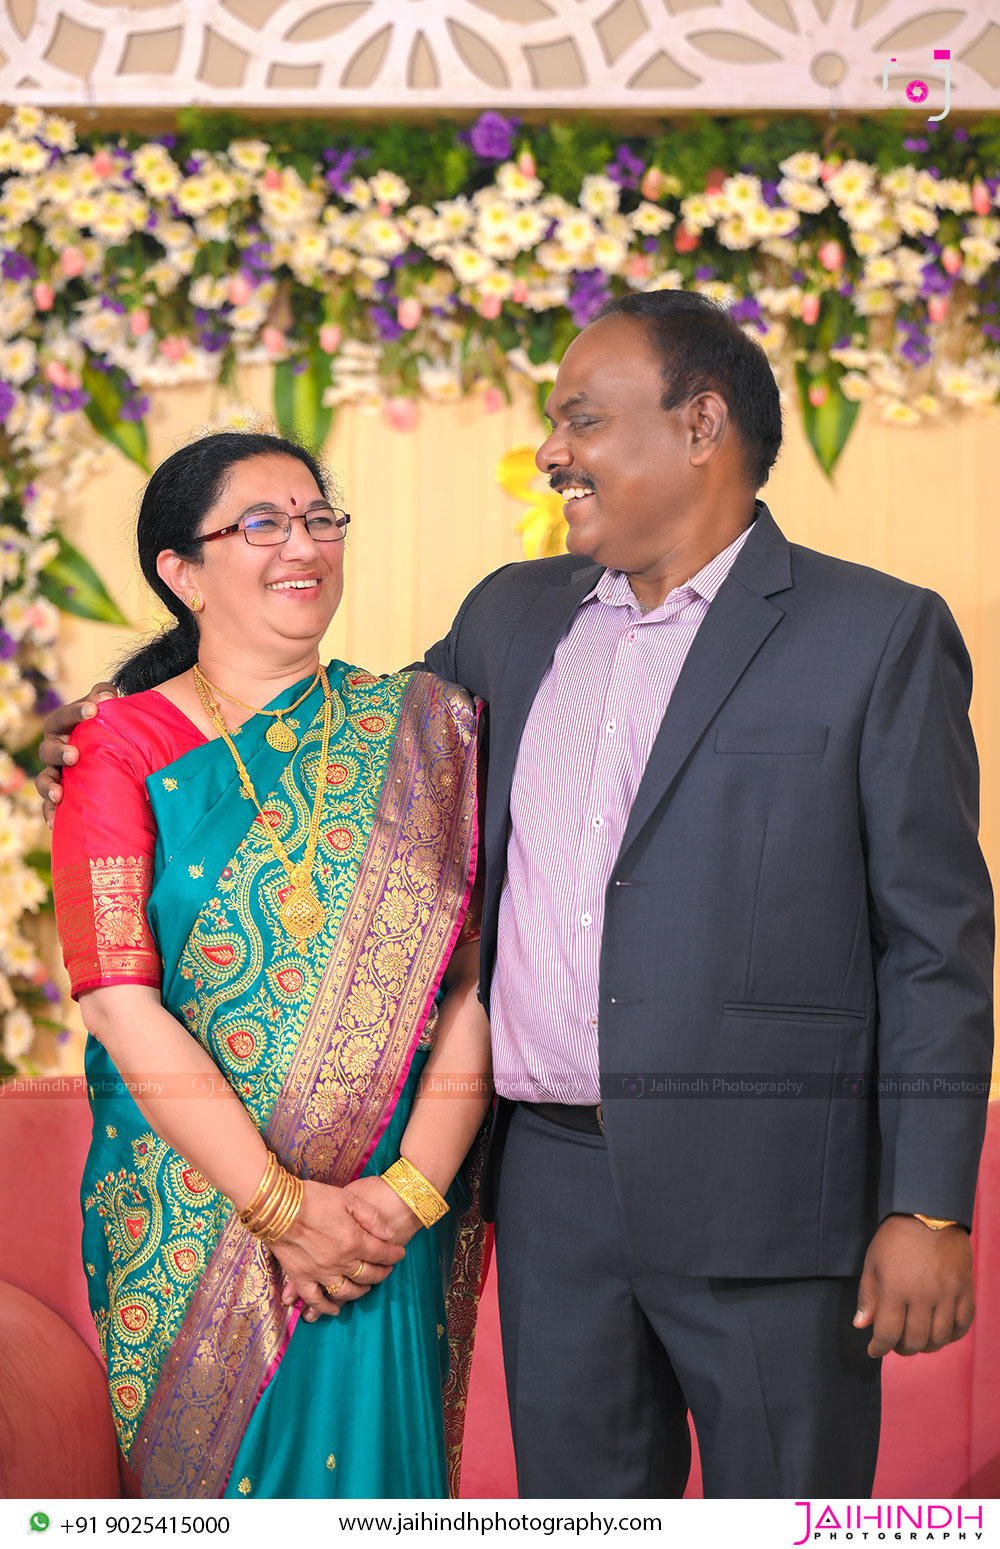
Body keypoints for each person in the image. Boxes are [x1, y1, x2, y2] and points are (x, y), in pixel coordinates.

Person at [40, 294, 994, 1499]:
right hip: (551, 1190)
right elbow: (328, 757)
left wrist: (928, 1207)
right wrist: (119, 738)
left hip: (763, 1186)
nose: (550, 450)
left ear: (700, 426)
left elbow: (935, 943)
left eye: (580, 419)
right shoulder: (513, 616)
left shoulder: (872, 632)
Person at [46, 430, 491, 1500]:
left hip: (382, 1222)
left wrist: (406, 1196)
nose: (303, 545)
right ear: (182, 572)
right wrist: (285, 1210)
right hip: (196, 1215)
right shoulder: (119, 750)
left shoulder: (422, 730)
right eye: (261, 524)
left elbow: (475, 981)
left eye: (317, 518)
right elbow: (117, 1003)